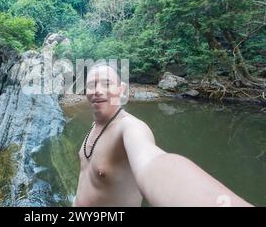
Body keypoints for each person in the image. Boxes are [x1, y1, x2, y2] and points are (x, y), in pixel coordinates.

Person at [73, 63, 252, 207]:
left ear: (121, 90)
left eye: (106, 83)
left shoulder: (130, 128)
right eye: (91, 85)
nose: (97, 90)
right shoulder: (95, 126)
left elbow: (153, 163)